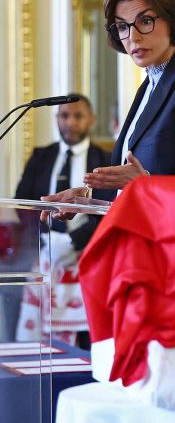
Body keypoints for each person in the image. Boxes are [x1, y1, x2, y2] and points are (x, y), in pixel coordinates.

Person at [47, 0, 175, 199]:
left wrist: (146, 183)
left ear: (172, 20)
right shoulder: (149, 86)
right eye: (122, 27)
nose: (133, 36)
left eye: (145, 21)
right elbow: (129, 185)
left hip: (169, 234)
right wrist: (85, 196)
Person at [10, 94, 114, 346]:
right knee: (39, 343)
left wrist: (71, 241)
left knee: (88, 339)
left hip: (89, 255)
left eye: (77, 116)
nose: (70, 123)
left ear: (91, 120)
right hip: (45, 253)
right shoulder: (41, 156)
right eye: (64, 116)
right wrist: (48, 237)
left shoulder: (105, 160)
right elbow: (23, 201)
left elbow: (111, 208)